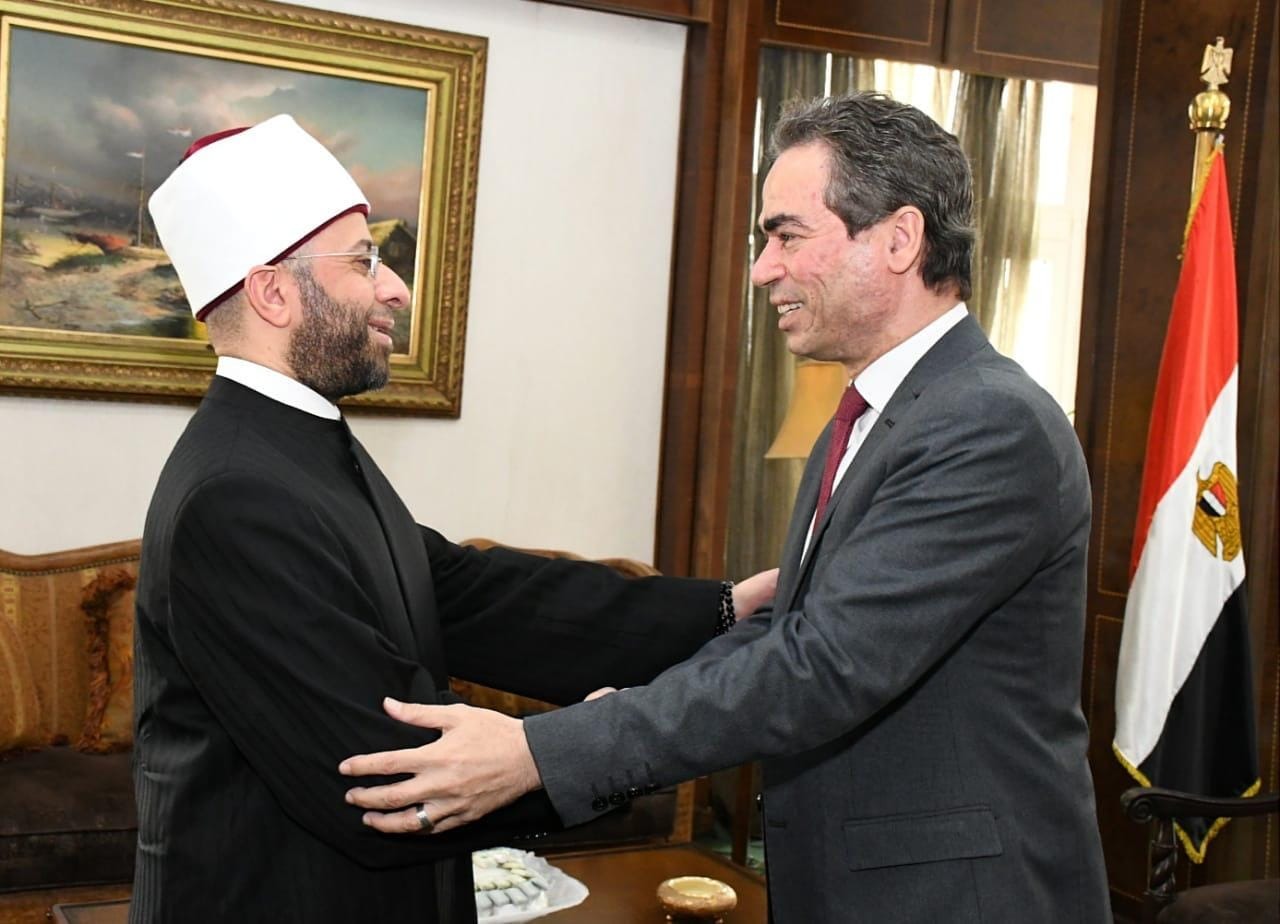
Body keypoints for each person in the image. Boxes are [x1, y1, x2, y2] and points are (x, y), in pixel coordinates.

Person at [340, 92, 1112, 923]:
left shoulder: (987, 422)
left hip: (960, 897)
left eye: (788, 235)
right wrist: (612, 718)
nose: (763, 269)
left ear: (899, 239)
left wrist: (545, 750)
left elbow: (823, 666)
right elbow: (789, 630)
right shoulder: (876, 413)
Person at [133, 114, 776, 924]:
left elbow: (468, 595)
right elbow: (386, 778)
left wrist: (719, 611)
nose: (396, 288)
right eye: (364, 261)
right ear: (273, 292)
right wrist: (610, 746)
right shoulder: (237, 494)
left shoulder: (295, 446)